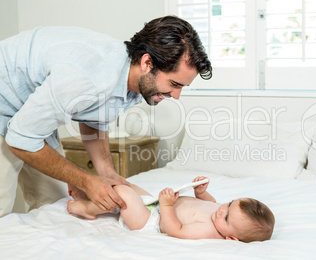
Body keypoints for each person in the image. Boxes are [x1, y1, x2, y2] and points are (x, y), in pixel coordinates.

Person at [0, 16, 212, 217]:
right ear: (147, 63)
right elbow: (20, 140)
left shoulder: (135, 83)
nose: (176, 96)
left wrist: (106, 172)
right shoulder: (89, 79)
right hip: (5, 102)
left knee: (55, 204)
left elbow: (93, 116)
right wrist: (86, 181)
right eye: (174, 84)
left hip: (30, 112)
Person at [67, 176, 275, 242]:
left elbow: (174, 230)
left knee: (122, 193)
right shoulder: (218, 214)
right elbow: (212, 203)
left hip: (150, 222)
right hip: (156, 206)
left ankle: (86, 208)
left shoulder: (209, 231)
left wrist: (166, 205)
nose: (222, 210)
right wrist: (201, 193)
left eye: (227, 217)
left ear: (231, 239)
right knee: (127, 184)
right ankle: (89, 196)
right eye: (229, 203)